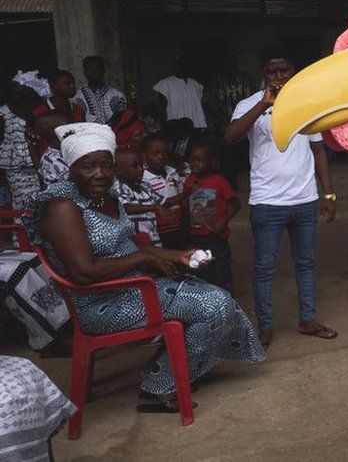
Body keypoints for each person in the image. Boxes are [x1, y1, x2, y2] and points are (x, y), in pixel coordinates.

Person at [26, 122, 264, 411]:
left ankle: (170, 370)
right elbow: (83, 272)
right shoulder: (63, 207)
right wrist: (146, 259)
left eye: (106, 166)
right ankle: (158, 384)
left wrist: (177, 255)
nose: (99, 173)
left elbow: (125, 245)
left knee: (214, 295)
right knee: (215, 305)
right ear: (72, 167)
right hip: (104, 302)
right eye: (88, 166)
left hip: (135, 286)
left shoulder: (105, 196)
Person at [225, 45, 338, 348]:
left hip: (304, 199)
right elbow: (231, 137)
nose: (278, 76)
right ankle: (265, 326)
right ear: (262, 72)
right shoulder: (249, 104)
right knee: (264, 268)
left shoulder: (305, 104)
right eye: (271, 71)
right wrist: (264, 105)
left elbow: (318, 151)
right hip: (266, 202)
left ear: (292, 72)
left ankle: (308, 319)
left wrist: (328, 193)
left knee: (306, 263)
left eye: (283, 70)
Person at [183, 142, 240, 293]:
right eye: (192, 160)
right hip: (196, 235)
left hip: (217, 235)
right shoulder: (189, 181)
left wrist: (222, 222)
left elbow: (235, 204)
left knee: (222, 267)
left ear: (212, 162)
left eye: (200, 160)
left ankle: (226, 297)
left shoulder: (220, 182)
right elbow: (184, 205)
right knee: (201, 269)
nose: (195, 163)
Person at [203, 54, 254, 189]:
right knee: (228, 158)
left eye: (232, 65)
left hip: (248, 125)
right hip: (225, 127)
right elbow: (210, 104)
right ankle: (232, 184)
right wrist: (217, 125)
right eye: (226, 65)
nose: (229, 68)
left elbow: (255, 99)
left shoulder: (246, 79)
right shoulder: (216, 82)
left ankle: (253, 184)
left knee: (250, 156)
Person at [115, 148, 182, 247]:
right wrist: (156, 208)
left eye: (141, 165)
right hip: (134, 245)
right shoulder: (118, 188)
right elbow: (124, 208)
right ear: (119, 171)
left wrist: (187, 192)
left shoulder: (144, 187)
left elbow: (164, 202)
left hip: (153, 241)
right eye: (135, 166)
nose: (141, 169)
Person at [1, 72, 44, 211]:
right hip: (15, 165)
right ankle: (21, 231)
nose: (17, 90)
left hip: (37, 162)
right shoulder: (3, 112)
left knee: (40, 200)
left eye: (21, 86)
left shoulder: (37, 111)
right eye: (15, 87)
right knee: (22, 202)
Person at [142, 133, 186, 249]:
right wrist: (185, 194)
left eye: (164, 152)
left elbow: (182, 200)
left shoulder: (173, 173)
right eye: (155, 153)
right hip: (158, 230)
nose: (161, 156)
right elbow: (159, 203)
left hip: (178, 225)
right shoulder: (143, 179)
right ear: (144, 156)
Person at [154, 54, 207, 130]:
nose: (183, 66)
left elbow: (200, 107)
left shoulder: (195, 84)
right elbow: (161, 111)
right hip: (176, 129)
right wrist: (164, 129)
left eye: (186, 63)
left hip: (196, 127)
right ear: (176, 66)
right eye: (180, 64)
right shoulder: (165, 84)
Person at [74, 56, 127, 124]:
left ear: (104, 70)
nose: (94, 72)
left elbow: (123, 118)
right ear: (85, 71)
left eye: (97, 68)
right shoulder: (77, 97)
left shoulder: (117, 95)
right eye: (90, 68)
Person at [35, 111, 72, 186]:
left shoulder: (68, 149)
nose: (72, 130)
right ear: (53, 134)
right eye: (67, 130)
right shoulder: (51, 159)